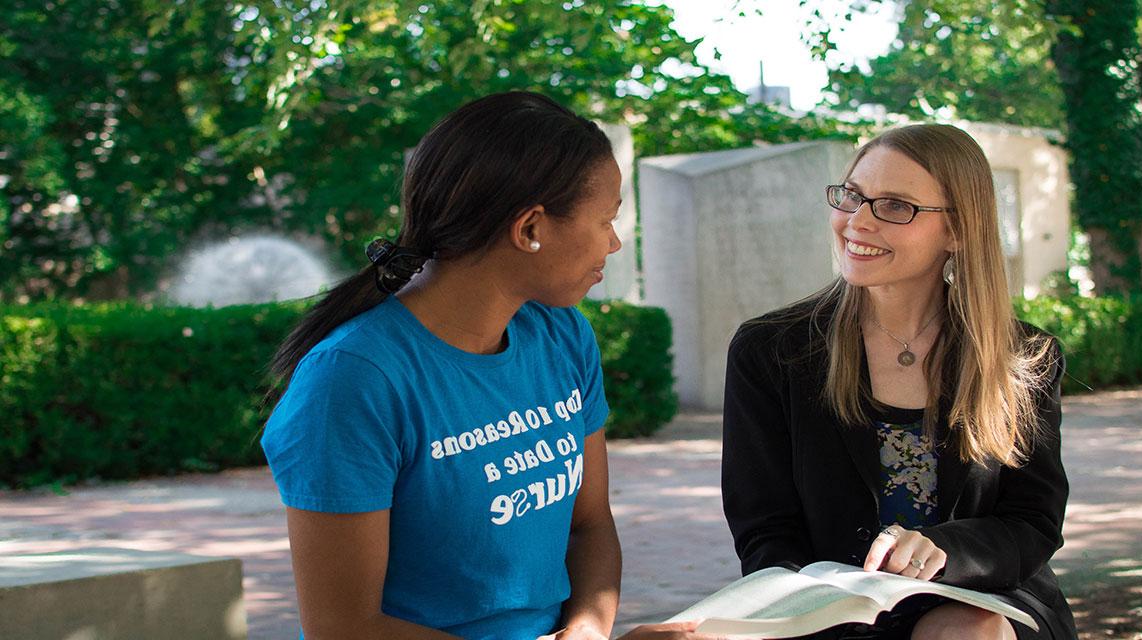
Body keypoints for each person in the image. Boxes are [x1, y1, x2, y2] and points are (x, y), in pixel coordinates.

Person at [262, 91, 715, 640]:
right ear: (530, 229)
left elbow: (589, 528)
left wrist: (589, 632)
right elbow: (344, 628)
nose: (615, 244)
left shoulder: (561, 335)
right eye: (606, 221)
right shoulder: (352, 381)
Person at [720, 124, 1076, 640]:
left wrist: (945, 549)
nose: (857, 222)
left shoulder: (1022, 357)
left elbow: (1033, 522)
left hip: (983, 594)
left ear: (956, 230)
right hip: (826, 608)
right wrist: (825, 613)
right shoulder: (770, 350)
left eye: (895, 206)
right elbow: (765, 531)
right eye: (853, 197)